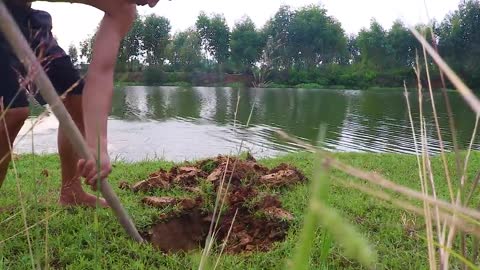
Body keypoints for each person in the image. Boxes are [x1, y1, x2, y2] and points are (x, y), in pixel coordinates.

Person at [0, 0, 159, 207]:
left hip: (25, 19)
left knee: (77, 98)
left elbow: (101, 72)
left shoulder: (122, 8)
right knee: (11, 112)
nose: (154, 3)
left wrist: (98, 144)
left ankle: (71, 192)